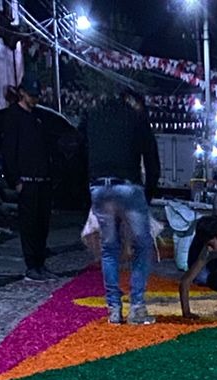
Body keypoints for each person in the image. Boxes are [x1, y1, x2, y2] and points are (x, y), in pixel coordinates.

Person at [84, 88, 160, 325]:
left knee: (109, 249)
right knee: (142, 244)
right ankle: (137, 306)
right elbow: (151, 160)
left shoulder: (93, 118)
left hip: (99, 187)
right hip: (128, 186)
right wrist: (147, 195)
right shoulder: (136, 118)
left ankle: (114, 310)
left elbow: (79, 149)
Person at [0, 76, 63, 280]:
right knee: (29, 225)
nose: (34, 99)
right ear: (22, 93)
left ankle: (41, 263)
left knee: (42, 224)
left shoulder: (38, 117)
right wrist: (15, 180)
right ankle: (31, 265)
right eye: (31, 95)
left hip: (42, 179)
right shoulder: (13, 116)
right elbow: (9, 151)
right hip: (26, 180)